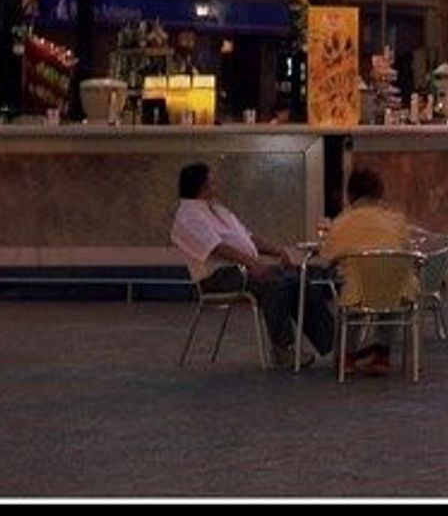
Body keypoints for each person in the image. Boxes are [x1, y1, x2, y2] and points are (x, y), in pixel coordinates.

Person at [170, 161, 310, 368]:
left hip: (242, 269)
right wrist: (252, 263)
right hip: (218, 277)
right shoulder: (188, 215)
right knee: (273, 284)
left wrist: (278, 251)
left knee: (295, 278)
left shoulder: (219, 211)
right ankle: (283, 349)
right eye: (212, 183)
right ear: (202, 187)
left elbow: (248, 238)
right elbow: (216, 247)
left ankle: (328, 341)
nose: (217, 187)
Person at [316, 166, 411, 375]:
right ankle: (382, 355)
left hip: (359, 292)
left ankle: (347, 357)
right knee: (388, 283)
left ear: (350, 195)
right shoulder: (396, 220)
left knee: (350, 296)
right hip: (399, 291)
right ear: (379, 193)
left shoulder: (343, 222)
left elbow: (327, 257)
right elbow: (408, 252)